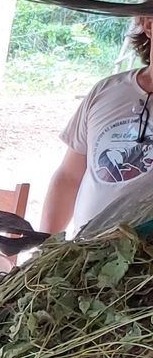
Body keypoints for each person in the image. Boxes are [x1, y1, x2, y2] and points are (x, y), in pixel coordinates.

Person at [41, 14, 152, 236]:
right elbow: (69, 177)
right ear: (149, 25)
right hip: (85, 251)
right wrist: (46, 244)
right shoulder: (106, 91)